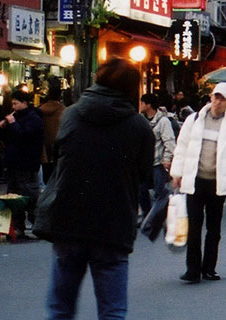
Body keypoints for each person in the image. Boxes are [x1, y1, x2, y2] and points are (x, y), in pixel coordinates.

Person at [34, 57, 154, 319]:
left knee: (59, 308)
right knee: (112, 311)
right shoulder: (139, 126)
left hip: (68, 221)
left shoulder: (73, 114)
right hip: (113, 226)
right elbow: (145, 174)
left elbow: (59, 154)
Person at [170, 82, 226, 284]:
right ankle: (192, 269)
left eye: (222, 98)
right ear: (210, 97)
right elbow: (182, 146)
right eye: (215, 97)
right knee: (194, 225)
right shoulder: (194, 119)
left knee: (214, 228)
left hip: (217, 182)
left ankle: (209, 268)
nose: (217, 101)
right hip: (195, 179)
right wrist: (177, 172)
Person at [0, 89, 45, 235]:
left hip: (26, 163)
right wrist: (3, 128)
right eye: (12, 103)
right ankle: (18, 226)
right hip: (13, 162)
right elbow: (8, 139)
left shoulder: (34, 118)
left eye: (16, 103)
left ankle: (39, 225)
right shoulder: (16, 117)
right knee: (14, 196)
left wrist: (12, 125)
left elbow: (25, 137)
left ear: (24, 103)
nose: (13, 107)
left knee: (29, 195)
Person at [140, 92, 177, 217]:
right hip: (144, 162)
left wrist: (167, 159)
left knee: (159, 191)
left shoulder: (163, 121)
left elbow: (169, 141)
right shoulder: (141, 120)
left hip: (158, 162)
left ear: (148, 105)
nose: (140, 105)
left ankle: (159, 216)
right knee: (141, 189)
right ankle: (147, 215)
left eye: (142, 103)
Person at [39, 82, 66, 183]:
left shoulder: (41, 109)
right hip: (58, 144)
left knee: (45, 170)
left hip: (44, 144)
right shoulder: (63, 110)